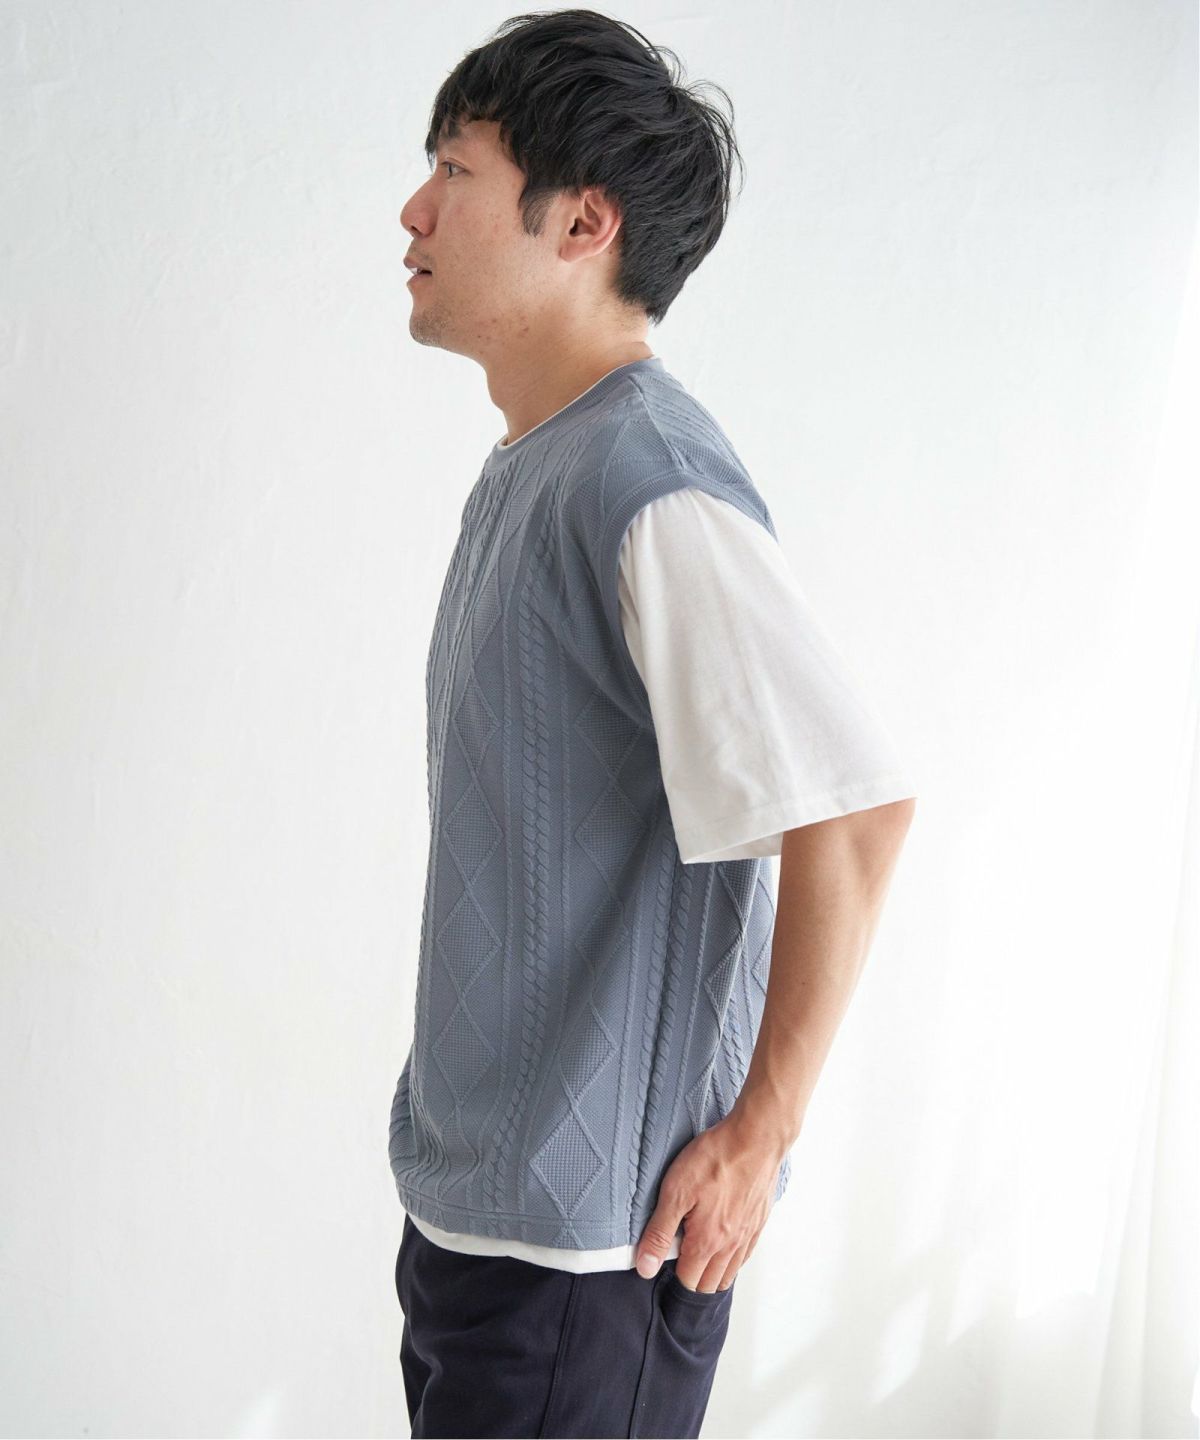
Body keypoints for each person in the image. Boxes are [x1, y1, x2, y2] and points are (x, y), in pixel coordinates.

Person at [388, 10, 918, 1437]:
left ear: (583, 222)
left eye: (456, 169)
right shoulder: (541, 468)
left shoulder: (652, 482)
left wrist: (759, 1137)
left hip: (589, 1269)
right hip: (488, 1233)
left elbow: (854, 810)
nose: (414, 211)